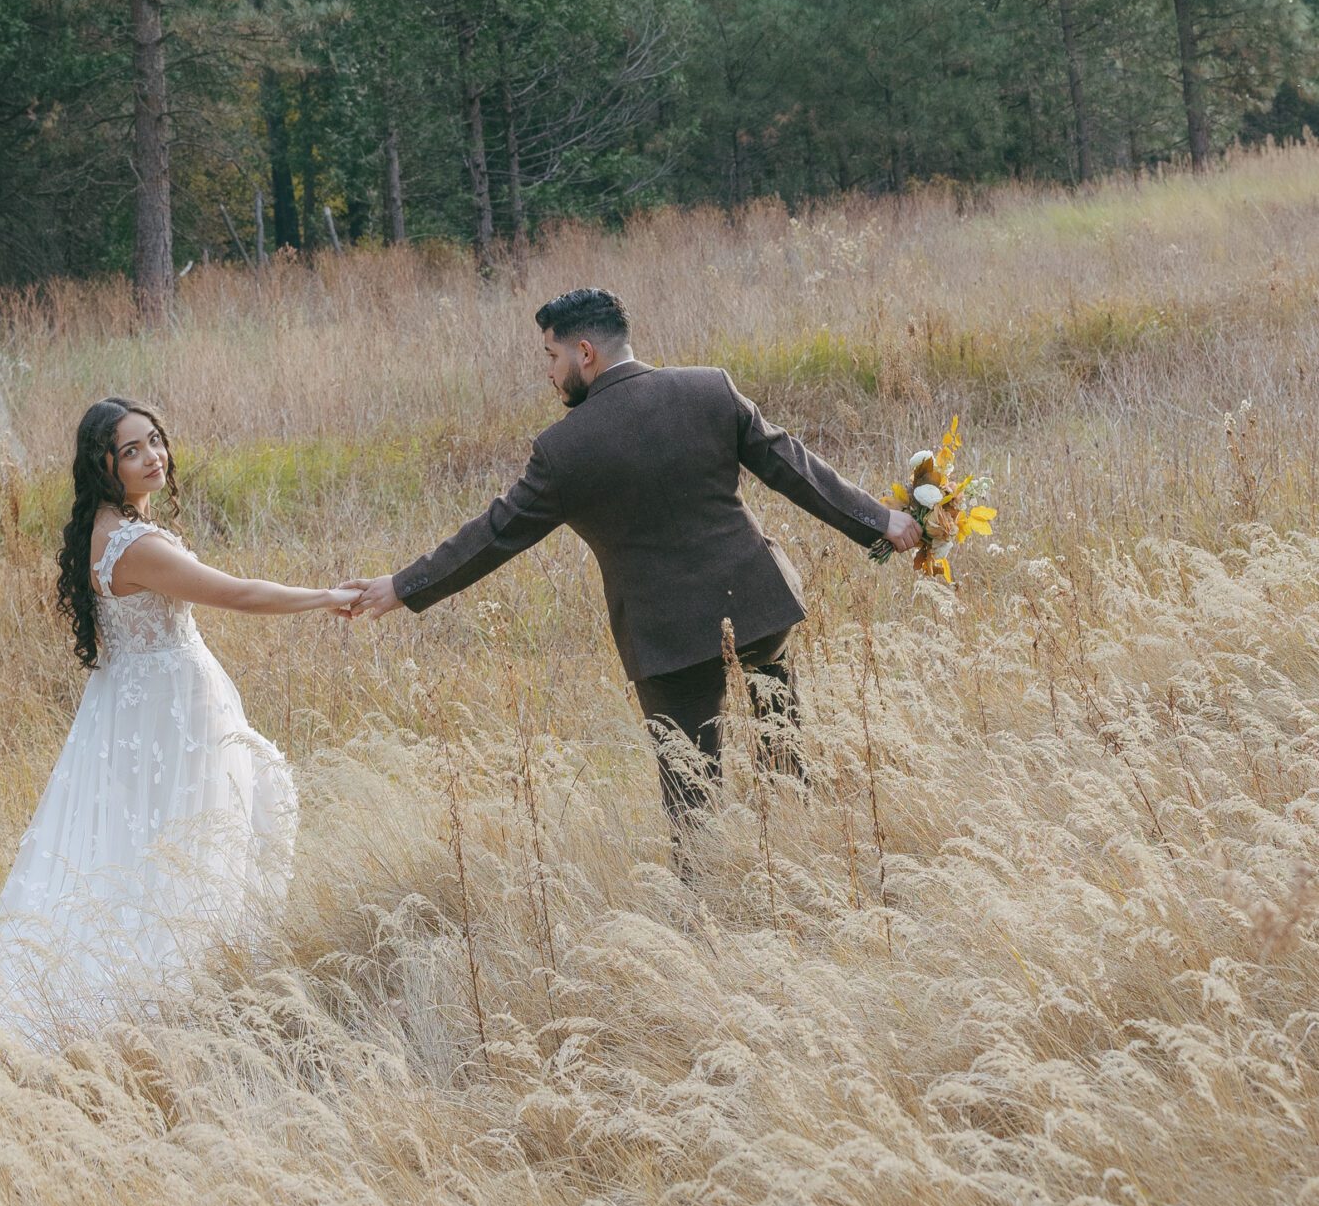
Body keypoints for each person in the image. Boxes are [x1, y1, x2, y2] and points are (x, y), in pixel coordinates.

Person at [347, 287, 916, 853]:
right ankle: (805, 866)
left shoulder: (563, 450)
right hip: (759, 608)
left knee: (691, 799)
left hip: (668, 643)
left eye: (551, 356)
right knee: (784, 753)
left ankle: (703, 911)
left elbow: (493, 535)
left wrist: (401, 587)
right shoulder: (708, 388)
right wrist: (881, 522)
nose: (549, 372)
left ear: (585, 352)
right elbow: (794, 468)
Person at [0, 397, 357, 1084]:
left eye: (155, 442)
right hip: (164, 711)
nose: (153, 457)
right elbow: (235, 595)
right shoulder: (136, 544)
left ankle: (187, 1005)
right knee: (175, 850)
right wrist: (325, 596)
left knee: (144, 851)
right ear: (104, 465)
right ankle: (150, 1012)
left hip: (139, 708)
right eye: (131, 450)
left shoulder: (112, 526)